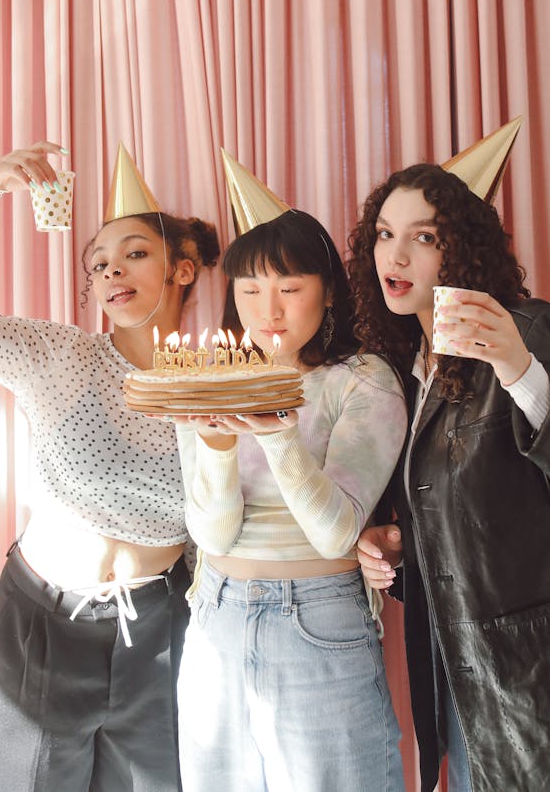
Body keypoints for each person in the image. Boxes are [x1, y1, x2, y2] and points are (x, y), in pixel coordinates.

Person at [0, 139, 220, 792]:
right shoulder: (60, 356)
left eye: (135, 253)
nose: (112, 271)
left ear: (182, 270)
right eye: (98, 263)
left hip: (161, 636)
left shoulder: (215, 390)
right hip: (43, 627)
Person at [348, 151, 550, 792]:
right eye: (384, 234)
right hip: (473, 709)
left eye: (422, 237)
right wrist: (394, 551)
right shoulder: (411, 374)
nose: (395, 257)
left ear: (461, 252)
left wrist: (521, 372)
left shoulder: (534, 332)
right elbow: (480, 540)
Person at [173, 155, 409, 792]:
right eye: (249, 291)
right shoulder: (206, 383)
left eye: (290, 288)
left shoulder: (363, 380)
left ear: (328, 290)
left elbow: (335, 532)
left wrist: (277, 433)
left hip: (319, 621)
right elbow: (213, 536)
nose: (267, 310)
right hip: (216, 616)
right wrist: (218, 450)